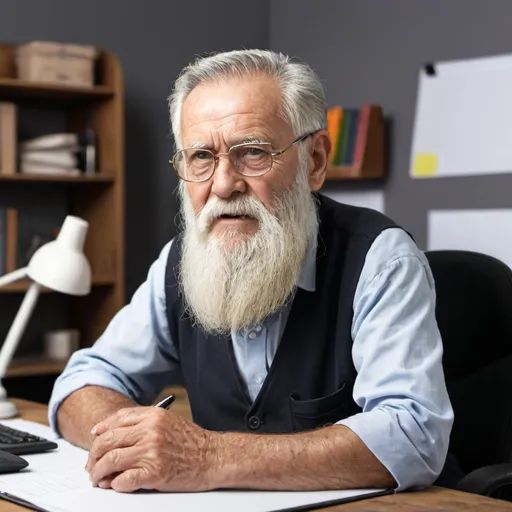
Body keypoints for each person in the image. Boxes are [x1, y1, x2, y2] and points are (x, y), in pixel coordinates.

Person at [48, 49, 454, 494]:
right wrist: (127, 443)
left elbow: (414, 434)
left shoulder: (381, 260)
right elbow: (82, 381)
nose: (223, 184)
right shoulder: (179, 262)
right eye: (201, 156)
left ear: (314, 160)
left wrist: (207, 457)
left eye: (254, 152)